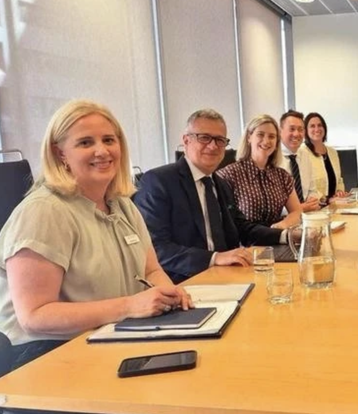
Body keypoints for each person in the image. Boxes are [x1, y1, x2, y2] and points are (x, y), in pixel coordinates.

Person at [0, 99, 219, 414]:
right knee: (173, 403)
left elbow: (151, 269)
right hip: (35, 353)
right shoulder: (44, 212)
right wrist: (130, 306)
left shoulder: (121, 204)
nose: (102, 151)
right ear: (60, 153)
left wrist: (171, 294)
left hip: (103, 336)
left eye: (109, 140)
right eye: (85, 142)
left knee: (193, 375)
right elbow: (35, 316)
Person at [134, 109, 285, 284]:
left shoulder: (220, 184)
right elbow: (155, 248)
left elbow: (243, 228)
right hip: (184, 284)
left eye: (220, 140)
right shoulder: (159, 182)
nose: (213, 146)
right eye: (204, 137)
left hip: (229, 278)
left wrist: (286, 236)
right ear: (186, 140)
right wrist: (214, 258)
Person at [217, 114, 302, 229]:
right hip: (246, 243)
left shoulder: (282, 176)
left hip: (277, 239)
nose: (266, 141)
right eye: (260, 135)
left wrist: (281, 226)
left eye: (271, 136)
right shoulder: (229, 174)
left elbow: (297, 212)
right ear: (249, 138)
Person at [278, 110, 321, 212]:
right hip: (282, 220)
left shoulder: (305, 155)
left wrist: (312, 200)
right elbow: (271, 204)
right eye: (292, 129)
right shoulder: (272, 158)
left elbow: (312, 189)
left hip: (307, 216)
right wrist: (298, 208)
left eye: (300, 129)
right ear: (280, 131)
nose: (296, 134)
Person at [304, 112, 348, 202]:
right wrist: (327, 200)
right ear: (306, 130)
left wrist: (340, 191)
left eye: (320, 125)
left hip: (335, 205)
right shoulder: (303, 153)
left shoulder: (332, 152)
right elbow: (306, 188)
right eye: (312, 126)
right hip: (316, 208)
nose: (317, 129)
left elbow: (339, 179)